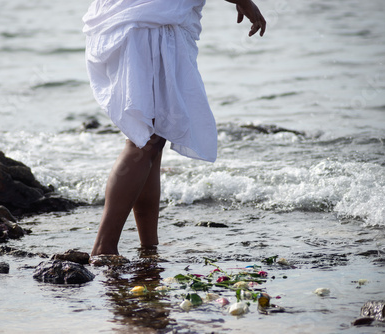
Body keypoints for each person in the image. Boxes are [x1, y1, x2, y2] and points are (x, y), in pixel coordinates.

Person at [83, 0, 266, 256]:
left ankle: (148, 245)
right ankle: (105, 247)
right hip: (149, 26)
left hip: (138, 22)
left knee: (153, 140)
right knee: (144, 142)